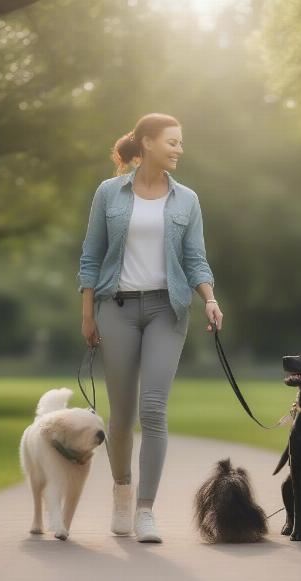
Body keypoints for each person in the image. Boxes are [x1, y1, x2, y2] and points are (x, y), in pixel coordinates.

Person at [77, 113, 223, 543]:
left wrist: (210, 299)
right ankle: (122, 493)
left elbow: (195, 257)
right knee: (121, 418)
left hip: (168, 309)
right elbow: (91, 254)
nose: (179, 149)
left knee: (154, 410)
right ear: (147, 142)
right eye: (172, 142)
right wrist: (88, 312)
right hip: (115, 308)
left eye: (180, 143)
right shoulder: (109, 192)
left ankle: (145, 512)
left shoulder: (187, 200)